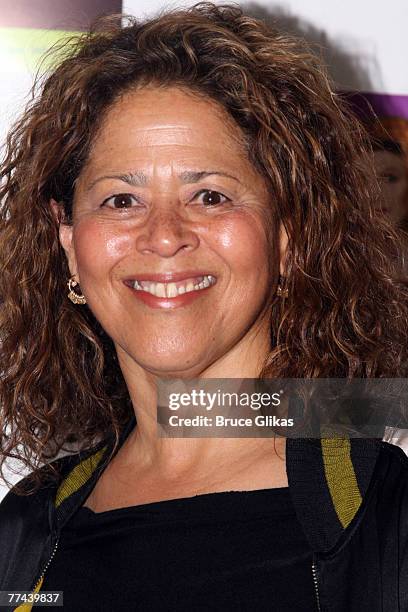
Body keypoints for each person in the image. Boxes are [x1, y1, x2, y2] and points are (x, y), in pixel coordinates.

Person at [1, 3, 408, 611]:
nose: (164, 236)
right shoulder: (23, 533)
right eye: (120, 200)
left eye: (209, 195)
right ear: (68, 241)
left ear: (286, 234)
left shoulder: (387, 516)